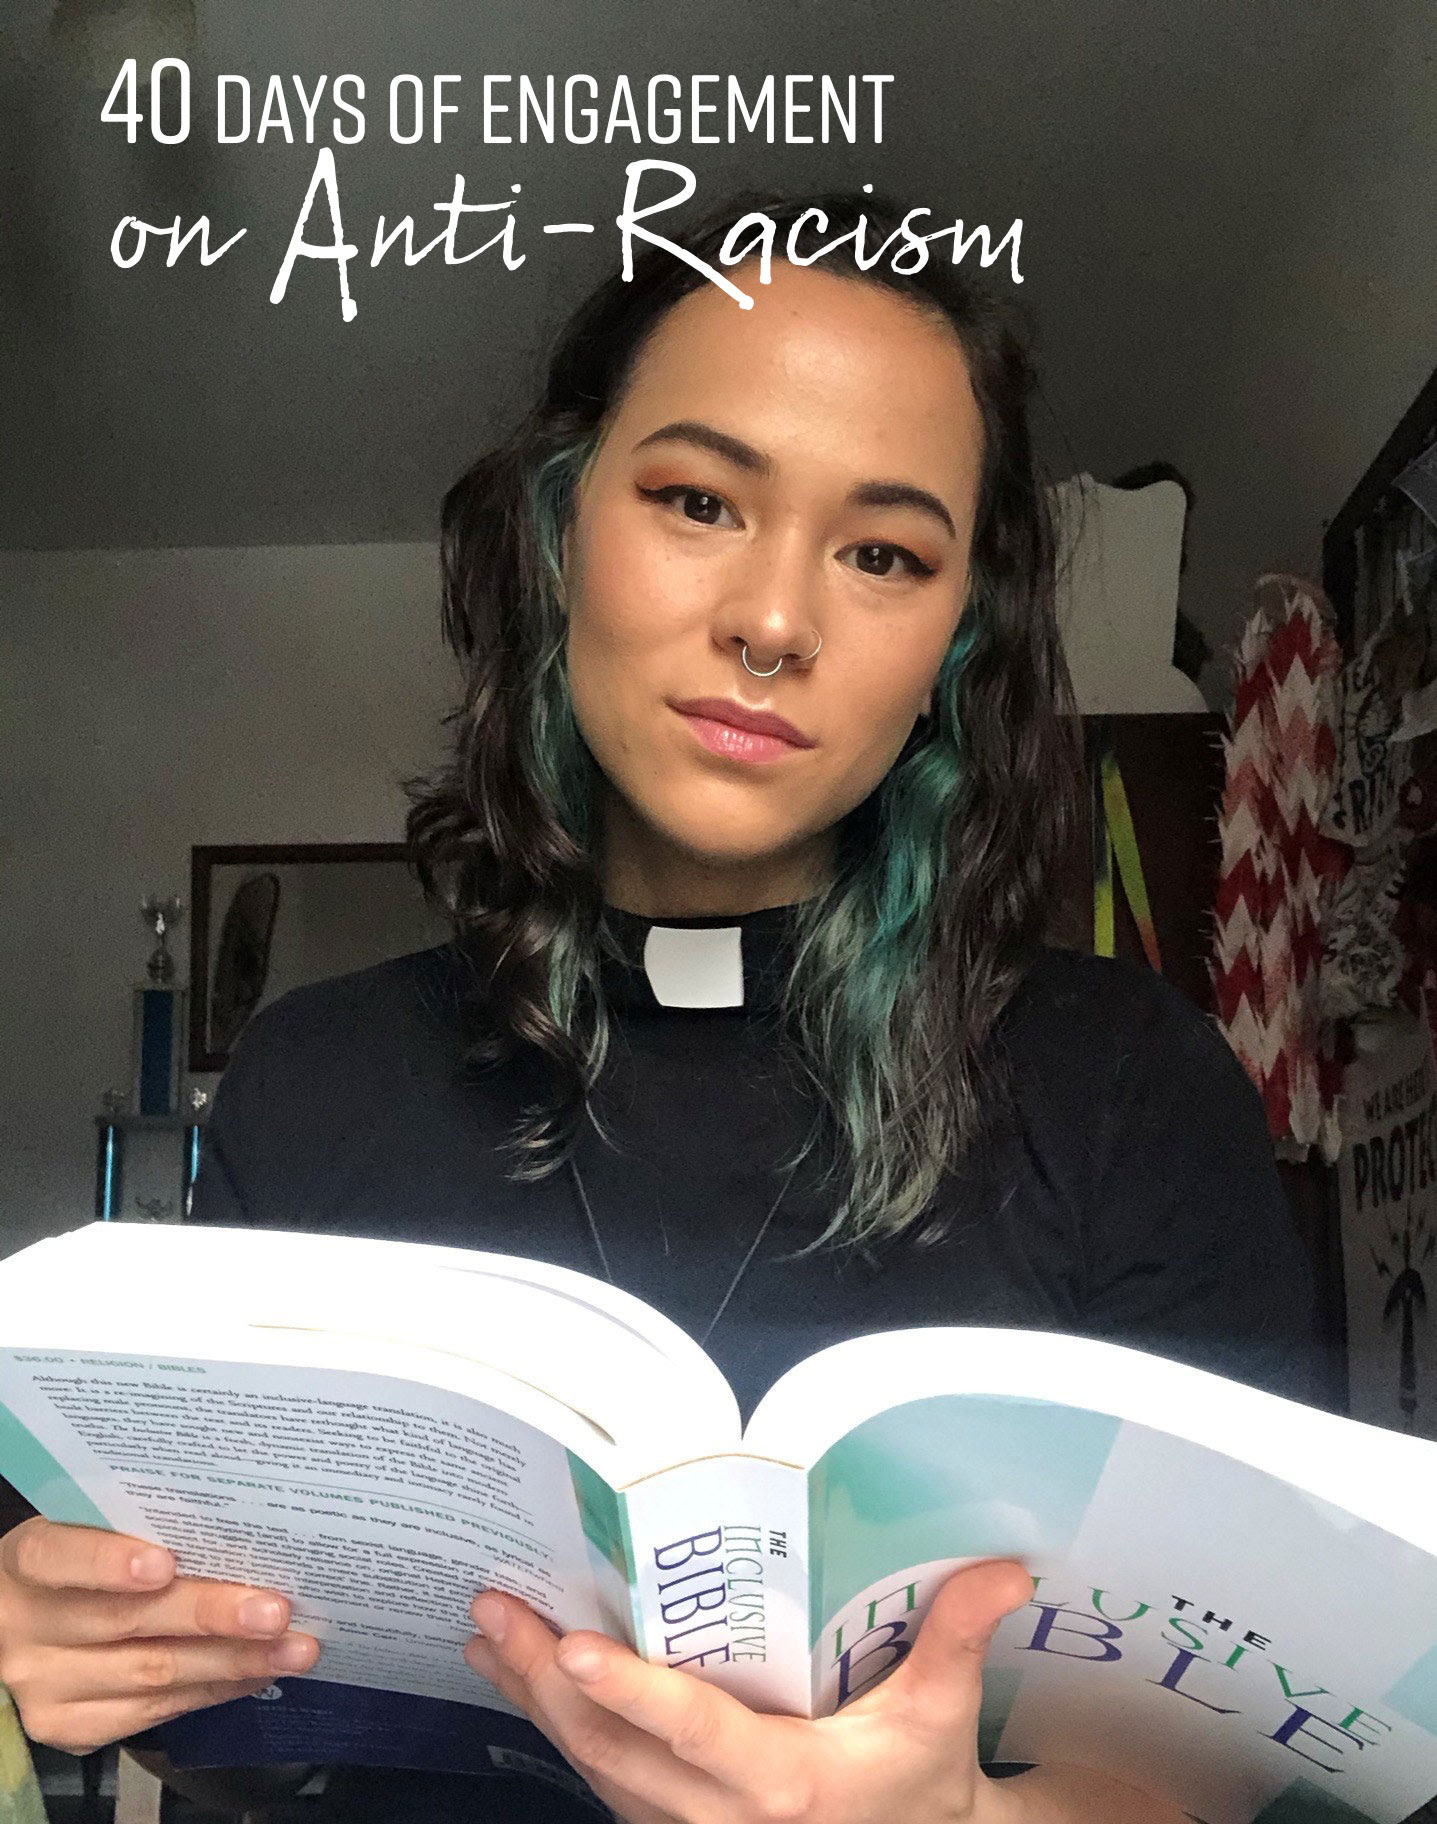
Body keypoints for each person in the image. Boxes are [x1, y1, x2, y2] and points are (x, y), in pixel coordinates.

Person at [0, 193, 1316, 1822]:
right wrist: (90, 1656)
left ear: (951, 642)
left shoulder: (1127, 1087)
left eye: (884, 552)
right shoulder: (314, 1075)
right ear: (558, 533)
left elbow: (1227, 1756)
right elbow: (233, 1721)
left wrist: (966, 1820)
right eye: (699, 499)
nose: (774, 621)